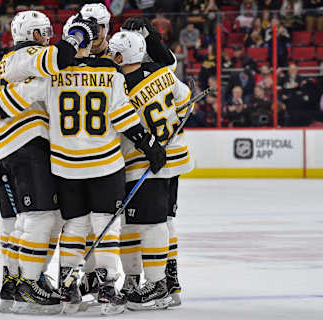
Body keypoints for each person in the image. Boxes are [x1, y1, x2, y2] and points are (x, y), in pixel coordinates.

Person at [0, 37, 167, 315]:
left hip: (66, 166)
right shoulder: (109, 73)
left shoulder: (53, 74)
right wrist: (148, 144)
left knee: (74, 227)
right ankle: (106, 289)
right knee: (106, 226)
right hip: (105, 164)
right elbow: (122, 114)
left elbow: (14, 100)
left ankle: (69, 290)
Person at [0, 10, 99, 314]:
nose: (49, 37)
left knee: (35, 221)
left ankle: (19, 284)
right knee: (28, 221)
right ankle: (22, 285)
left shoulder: (8, 66)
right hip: (20, 149)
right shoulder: (18, 60)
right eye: (45, 32)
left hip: (22, 149)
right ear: (34, 35)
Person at [109, 30, 193, 309]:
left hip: (143, 163)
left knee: (146, 224)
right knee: (162, 221)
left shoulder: (121, 85)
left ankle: (157, 285)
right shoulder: (161, 72)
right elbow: (185, 100)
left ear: (121, 55)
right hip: (175, 157)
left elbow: (121, 124)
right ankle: (170, 282)